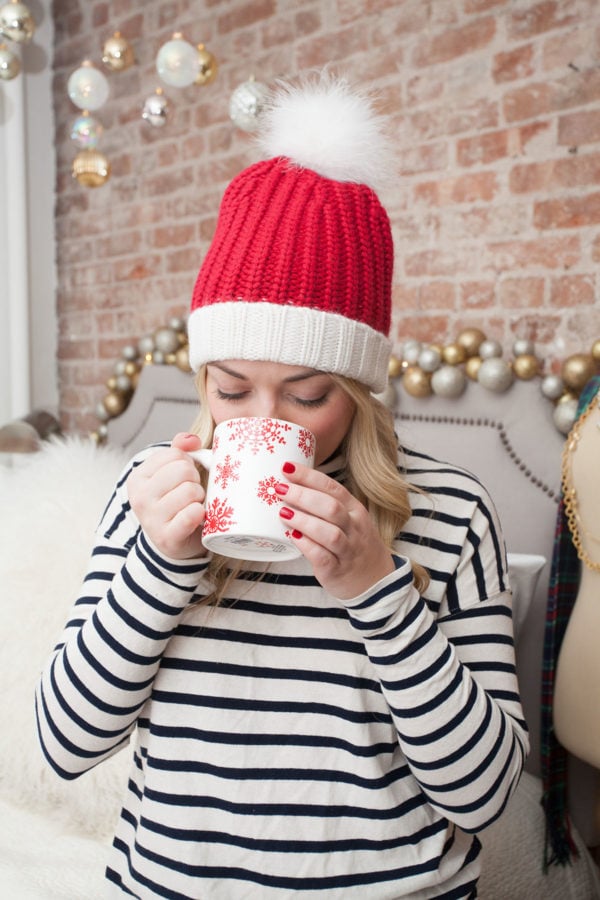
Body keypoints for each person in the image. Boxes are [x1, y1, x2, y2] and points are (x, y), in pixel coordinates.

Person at [36, 74, 528, 899]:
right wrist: (159, 566)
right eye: (231, 390)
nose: (262, 421)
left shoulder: (450, 514)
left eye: (307, 396)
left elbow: (484, 797)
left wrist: (379, 592)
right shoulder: (151, 489)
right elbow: (65, 744)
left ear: (362, 389)